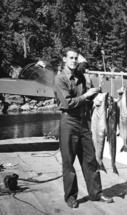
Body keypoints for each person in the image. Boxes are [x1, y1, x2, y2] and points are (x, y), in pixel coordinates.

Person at [54, 47, 113, 208]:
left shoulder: (81, 77)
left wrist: (94, 98)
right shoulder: (60, 79)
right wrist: (86, 96)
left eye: (76, 58)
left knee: (90, 159)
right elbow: (67, 103)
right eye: (71, 58)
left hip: (84, 122)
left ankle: (96, 193)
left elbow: (85, 99)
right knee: (68, 162)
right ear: (64, 59)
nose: (74, 61)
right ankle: (71, 196)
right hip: (69, 122)